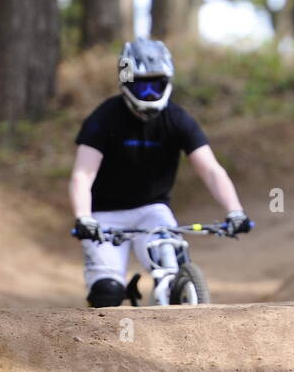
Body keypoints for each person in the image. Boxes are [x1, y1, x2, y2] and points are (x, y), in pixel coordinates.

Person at [68, 38, 252, 307]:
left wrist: (235, 210)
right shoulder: (104, 118)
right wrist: (83, 217)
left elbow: (211, 170)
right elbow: (82, 175)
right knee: (106, 294)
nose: (150, 93)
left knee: (172, 266)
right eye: (142, 85)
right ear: (126, 82)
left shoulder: (178, 119)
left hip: (152, 211)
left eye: (157, 84)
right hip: (104, 216)